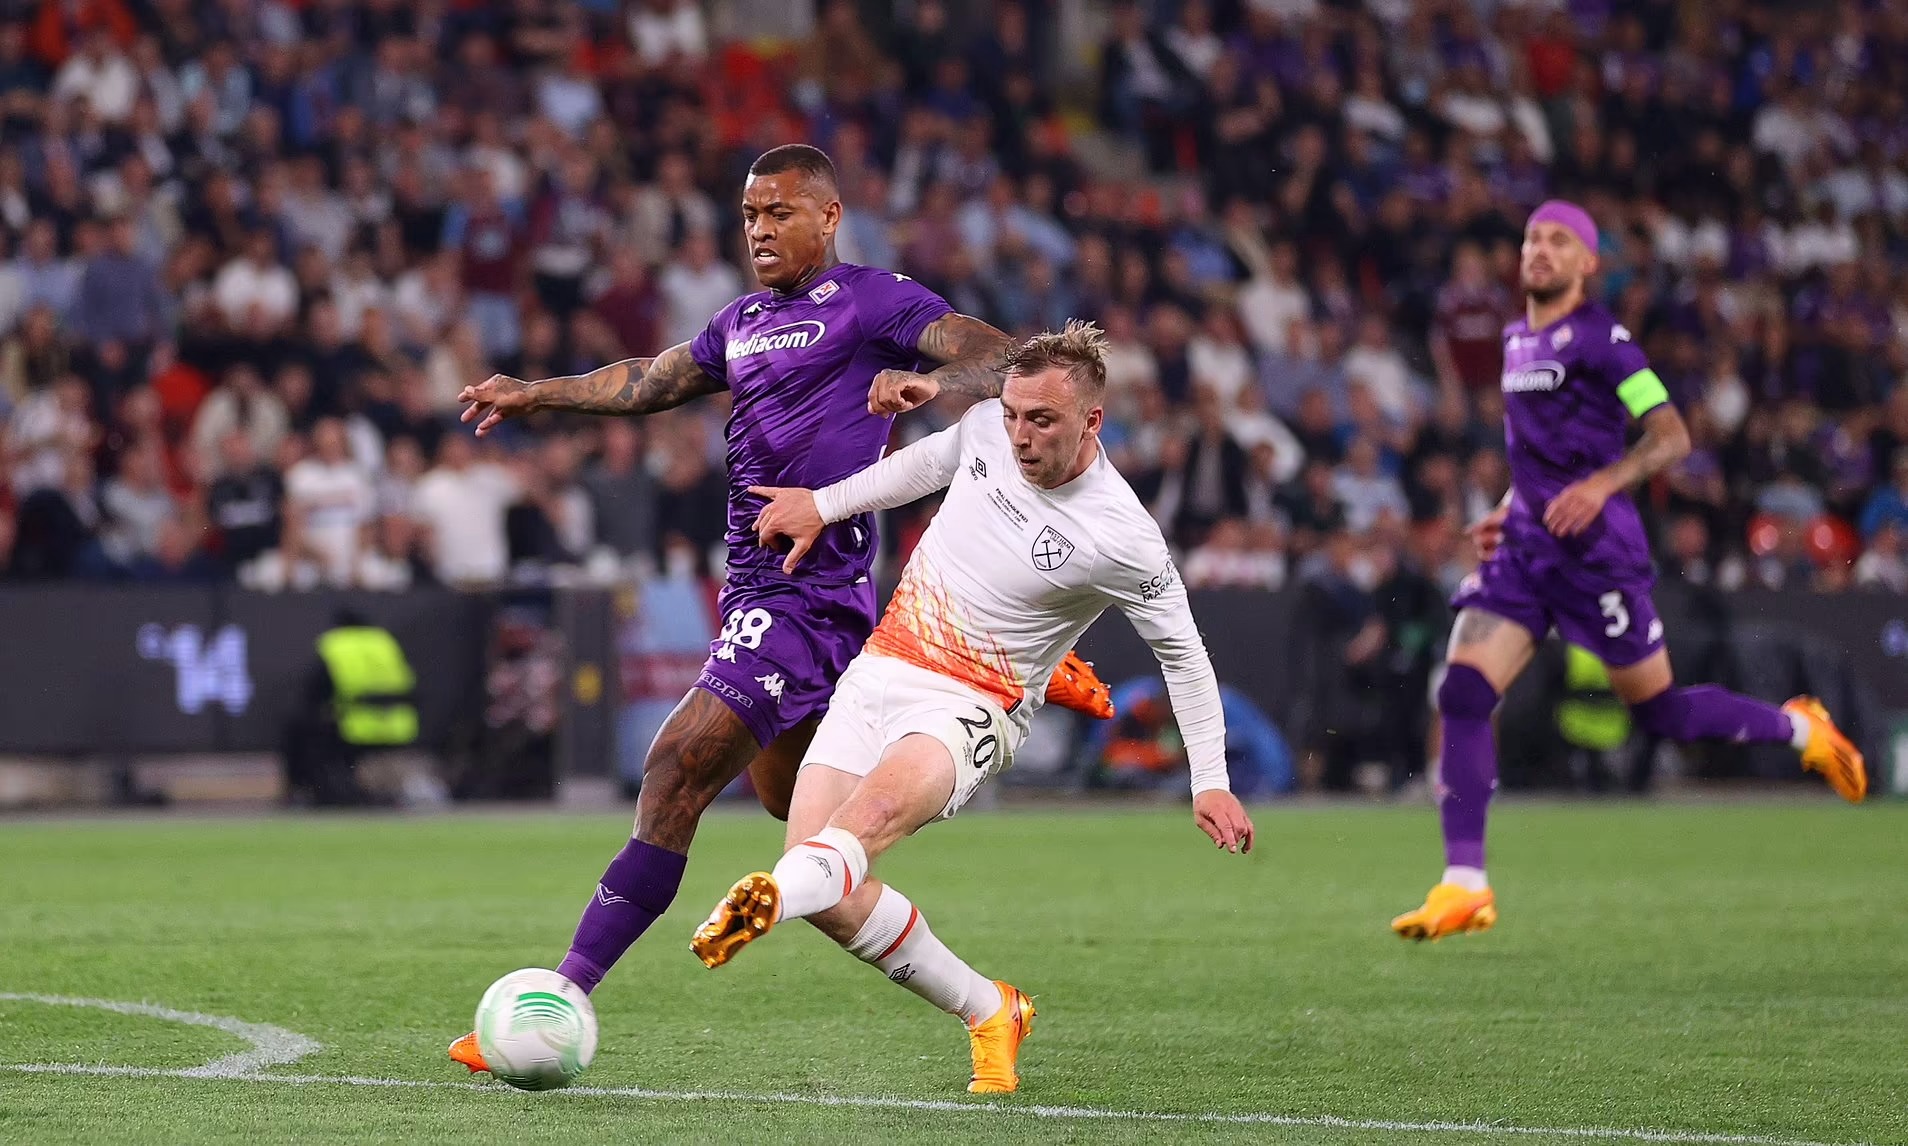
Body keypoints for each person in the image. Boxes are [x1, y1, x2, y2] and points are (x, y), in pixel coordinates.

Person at [446, 145, 1109, 1073]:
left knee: (674, 770)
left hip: (809, 595)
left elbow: (1001, 357)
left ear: (828, 217)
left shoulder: (874, 301)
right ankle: (990, 1003)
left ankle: (559, 997)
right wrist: (538, 394)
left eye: (779, 212)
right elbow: (649, 378)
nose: (758, 230)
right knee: (806, 838)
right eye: (750, 214)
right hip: (758, 591)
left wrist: (932, 385)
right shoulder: (742, 322)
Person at [686, 322, 1254, 1094]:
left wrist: (1210, 779)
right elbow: (925, 463)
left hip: (972, 706)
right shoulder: (987, 427)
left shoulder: (1123, 538)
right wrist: (823, 504)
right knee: (829, 888)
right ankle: (990, 1008)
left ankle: (768, 899)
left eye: (1042, 420)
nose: (1020, 434)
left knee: (855, 833)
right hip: (882, 668)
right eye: (1014, 414)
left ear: (1092, 420)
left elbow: (1183, 654)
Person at [1391, 202, 1868, 943]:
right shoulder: (1517, 339)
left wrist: (1600, 487)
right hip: (1526, 549)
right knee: (1463, 690)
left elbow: (1670, 437)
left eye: (1559, 241)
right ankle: (1465, 885)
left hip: (1596, 555)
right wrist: (1507, 507)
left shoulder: (1606, 342)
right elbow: (1536, 455)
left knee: (1661, 712)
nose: (1540, 250)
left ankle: (1799, 728)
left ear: (1588, 264)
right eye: (1533, 238)